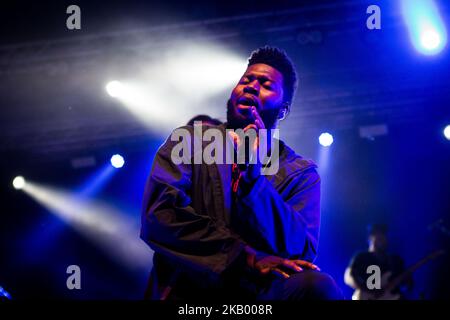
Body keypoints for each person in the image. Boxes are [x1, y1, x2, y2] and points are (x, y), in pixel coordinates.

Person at [141, 46, 342, 300]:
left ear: (283, 110)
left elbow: (300, 251)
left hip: (258, 294)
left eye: (265, 84)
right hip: (190, 291)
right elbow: (160, 214)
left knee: (317, 287)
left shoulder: (300, 173)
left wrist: (254, 180)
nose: (251, 86)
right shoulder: (190, 140)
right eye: (246, 80)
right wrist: (244, 257)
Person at [344, 224, 412, 300]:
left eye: (383, 235)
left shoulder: (396, 260)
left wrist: (405, 284)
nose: (381, 238)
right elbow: (348, 277)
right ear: (369, 238)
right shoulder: (362, 257)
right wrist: (369, 290)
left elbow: (408, 285)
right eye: (377, 235)